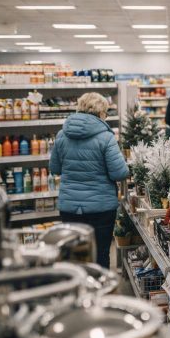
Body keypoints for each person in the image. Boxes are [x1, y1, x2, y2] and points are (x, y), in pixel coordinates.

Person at [50, 92, 129, 268]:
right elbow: (119, 173)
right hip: (100, 209)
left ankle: (77, 291)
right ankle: (100, 292)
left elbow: (54, 169)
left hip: (69, 208)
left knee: (74, 257)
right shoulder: (106, 137)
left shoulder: (62, 135)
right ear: (101, 112)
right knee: (100, 255)